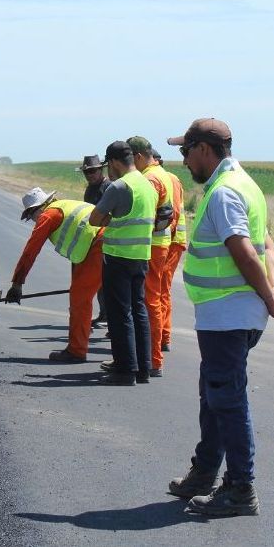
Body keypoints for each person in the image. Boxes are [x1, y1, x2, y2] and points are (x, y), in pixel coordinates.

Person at [166, 118, 274, 517]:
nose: (183, 160)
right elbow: (267, 243)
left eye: (186, 151)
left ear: (204, 149)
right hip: (233, 312)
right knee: (215, 396)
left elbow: (243, 250)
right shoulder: (245, 184)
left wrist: (268, 295)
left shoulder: (223, 192)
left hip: (228, 313)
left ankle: (240, 489)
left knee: (228, 400)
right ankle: (205, 472)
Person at [6, 187, 103, 362]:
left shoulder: (48, 216)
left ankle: (76, 351)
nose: (34, 220)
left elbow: (30, 251)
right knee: (121, 298)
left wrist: (17, 284)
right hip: (109, 242)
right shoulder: (65, 206)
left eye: (31, 216)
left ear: (38, 208)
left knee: (80, 298)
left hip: (98, 246)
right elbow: (79, 246)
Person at [88, 141, 157, 385]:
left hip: (118, 256)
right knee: (139, 311)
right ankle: (143, 367)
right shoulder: (147, 185)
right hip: (141, 256)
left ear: (115, 162)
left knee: (120, 314)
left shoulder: (119, 186)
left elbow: (95, 219)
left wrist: (109, 216)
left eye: (109, 166)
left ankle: (125, 369)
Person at [126, 137, 174, 377]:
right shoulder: (161, 174)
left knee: (149, 301)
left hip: (152, 246)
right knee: (152, 299)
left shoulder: (151, 179)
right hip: (159, 245)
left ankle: (153, 360)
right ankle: (151, 357)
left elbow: (147, 215)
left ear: (136, 157)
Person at [154, 148, 187, 353]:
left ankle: (163, 336)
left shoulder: (168, 179)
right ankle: (161, 335)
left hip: (172, 242)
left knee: (161, 290)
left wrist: (167, 237)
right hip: (170, 240)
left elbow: (171, 214)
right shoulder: (166, 178)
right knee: (159, 289)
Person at [77, 155, 110, 327]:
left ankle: (110, 317)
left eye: (92, 171)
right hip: (92, 238)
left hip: (106, 238)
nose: (89, 175)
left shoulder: (108, 187)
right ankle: (104, 313)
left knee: (106, 283)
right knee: (98, 283)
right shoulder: (89, 190)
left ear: (101, 170)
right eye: (86, 172)